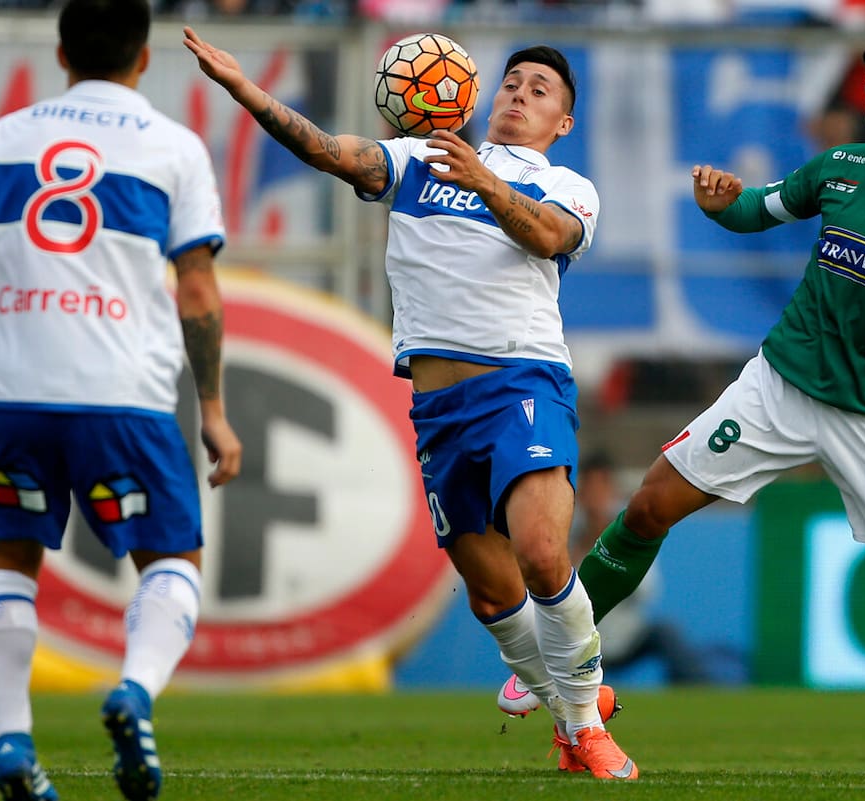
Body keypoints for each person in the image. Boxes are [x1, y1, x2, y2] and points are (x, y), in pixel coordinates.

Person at [502, 35, 865, 782]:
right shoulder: (839, 171)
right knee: (649, 506)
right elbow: (761, 208)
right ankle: (555, 661)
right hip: (779, 386)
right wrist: (722, 205)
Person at [183, 29, 637, 780]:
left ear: (563, 123)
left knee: (543, 550)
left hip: (523, 381)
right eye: (513, 83)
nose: (520, 95)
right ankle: (566, 711)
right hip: (438, 408)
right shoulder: (417, 160)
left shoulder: (567, 185)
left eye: (540, 91)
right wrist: (245, 90)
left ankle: (589, 726)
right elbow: (330, 150)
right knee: (491, 590)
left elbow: (548, 235)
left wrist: (489, 184)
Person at [0, 2, 243, 800]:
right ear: (144, 58)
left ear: (60, 51)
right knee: (171, 559)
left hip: (12, 391)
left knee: (10, 557)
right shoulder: (172, 148)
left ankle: (13, 742)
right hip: (124, 397)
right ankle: (134, 688)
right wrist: (213, 407)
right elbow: (196, 288)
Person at [570, 452, 707, 684]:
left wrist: (610, 557)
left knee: (667, 633)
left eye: (601, 489)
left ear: (611, 492)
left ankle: (695, 696)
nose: (595, 497)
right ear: (580, 494)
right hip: (577, 641)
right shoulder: (565, 536)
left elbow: (647, 590)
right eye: (589, 489)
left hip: (627, 636)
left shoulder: (630, 532)